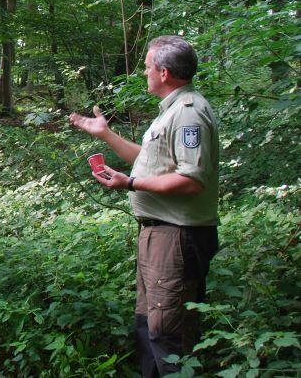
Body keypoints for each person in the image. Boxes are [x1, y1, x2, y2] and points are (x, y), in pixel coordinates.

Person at [69, 36, 220, 377]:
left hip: (176, 237)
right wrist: (105, 134)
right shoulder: (171, 112)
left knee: (169, 333)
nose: (145, 73)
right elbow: (150, 161)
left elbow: (191, 180)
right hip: (158, 235)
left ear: (164, 73)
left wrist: (131, 183)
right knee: (148, 326)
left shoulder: (188, 114)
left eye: (149, 67)